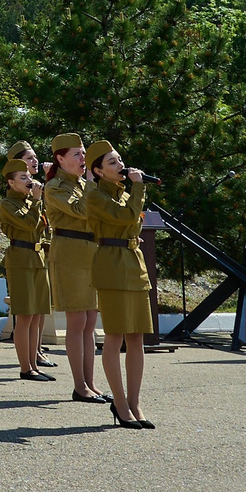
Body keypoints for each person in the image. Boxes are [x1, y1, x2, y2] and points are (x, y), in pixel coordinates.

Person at [85, 140, 155, 429]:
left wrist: (135, 190)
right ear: (98, 171)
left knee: (137, 336)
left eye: (119, 159)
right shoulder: (95, 195)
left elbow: (133, 225)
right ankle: (121, 403)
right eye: (112, 162)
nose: (120, 166)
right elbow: (125, 218)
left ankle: (135, 402)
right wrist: (139, 188)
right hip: (111, 265)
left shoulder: (125, 194)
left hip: (133, 262)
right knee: (115, 337)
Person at [43, 131, 108, 405]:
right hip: (69, 254)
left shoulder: (84, 184)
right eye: (77, 154)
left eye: (83, 153)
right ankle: (79, 386)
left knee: (91, 323)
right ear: (60, 159)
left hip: (91, 253)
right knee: (77, 322)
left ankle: (91, 384)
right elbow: (82, 211)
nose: (83, 158)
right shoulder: (56, 186)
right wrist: (94, 182)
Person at [0, 144, 52, 382]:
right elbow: (29, 225)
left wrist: (38, 200)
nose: (29, 180)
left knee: (37, 313)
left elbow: (43, 228)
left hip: (37, 258)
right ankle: (25, 367)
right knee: (25, 316)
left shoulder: (31, 201)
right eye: (23, 177)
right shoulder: (8, 204)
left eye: (29, 176)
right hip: (20, 259)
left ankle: (34, 363)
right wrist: (38, 200)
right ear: (11, 182)